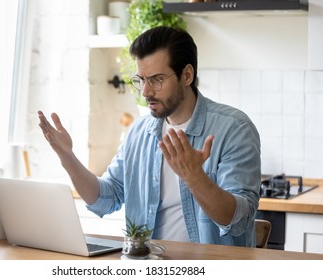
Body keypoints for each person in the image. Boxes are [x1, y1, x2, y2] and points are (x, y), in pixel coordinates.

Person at [38, 26, 261, 247]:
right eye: (141, 80)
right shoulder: (139, 132)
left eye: (156, 79)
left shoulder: (234, 128)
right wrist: (67, 157)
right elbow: (105, 199)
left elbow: (238, 221)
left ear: (187, 75)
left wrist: (195, 177)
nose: (145, 91)